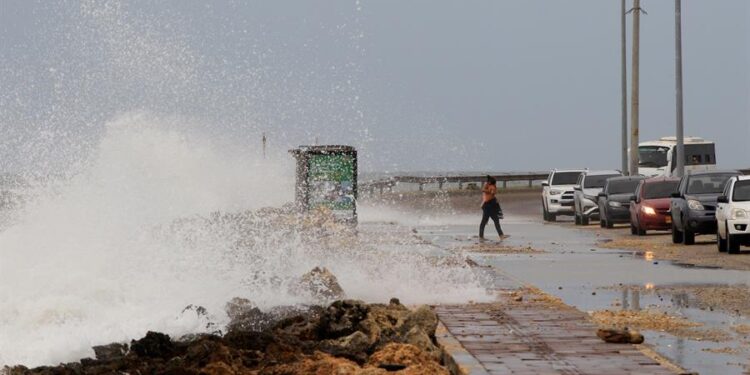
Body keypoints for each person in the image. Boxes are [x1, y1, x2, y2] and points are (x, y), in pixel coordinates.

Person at [480, 175, 505, 239]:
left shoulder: (492, 186)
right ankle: (501, 235)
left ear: (490, 182)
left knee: (492, 220)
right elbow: (488, 191)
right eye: (488, 181)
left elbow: (492, 193)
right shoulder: (488, 186)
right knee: (493, 220)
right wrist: (489, 190)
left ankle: (501, 235)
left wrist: (490, 191)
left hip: (490, 205)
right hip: (488, 206)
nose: (487, 182)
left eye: (488, 181)